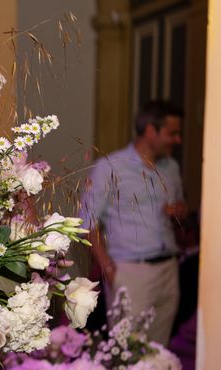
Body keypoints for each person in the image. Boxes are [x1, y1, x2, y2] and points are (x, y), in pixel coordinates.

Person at [79, 100, 187, 346]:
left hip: (168, 268)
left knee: (159, 350)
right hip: (130, 271)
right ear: (151, 130)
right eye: (172, 133)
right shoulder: (110, 167)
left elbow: (179, 210)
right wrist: (108, 270)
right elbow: (88, 222)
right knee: (125, 350)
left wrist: (179, 211)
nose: (177, 140)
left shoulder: (171, 167)